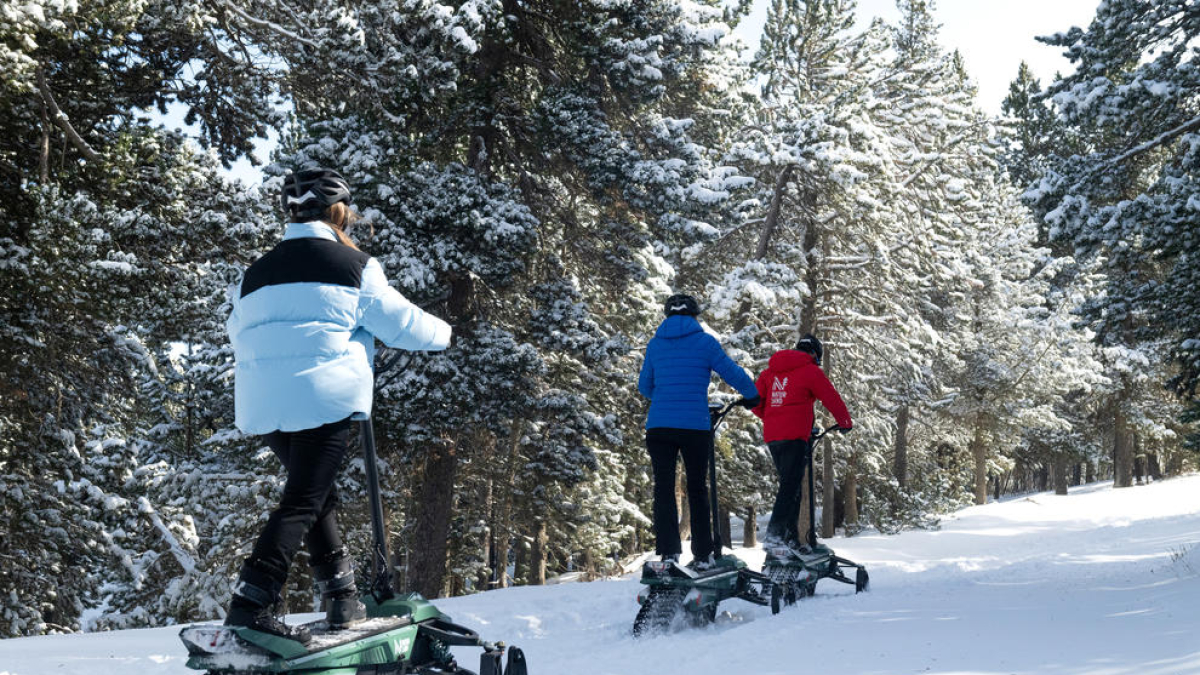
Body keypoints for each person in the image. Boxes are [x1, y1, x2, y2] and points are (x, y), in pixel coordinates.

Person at [224, 168, 452, 643]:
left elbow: (238, 330)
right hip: (322, 397)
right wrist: (447, 332)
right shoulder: (353, 266)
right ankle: (251, 604)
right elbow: (403, 324)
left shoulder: (255, 273)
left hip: (265, 405)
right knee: (303, 500)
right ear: (339, 213)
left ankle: (341, 595)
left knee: (316, 493)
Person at [637, 294, 761, 570]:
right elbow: (731, 371)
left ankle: (669, 553)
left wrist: (667, 397)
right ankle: (703, 554)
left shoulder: (655, 344)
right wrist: (753, 395)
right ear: (694, 315)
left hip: (659, 426)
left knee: (663, 488)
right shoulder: (705, 342)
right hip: (694, 426)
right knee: (696, 487)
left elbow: (644, 386)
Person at [751, 334, 852, 559]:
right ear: (815, 354)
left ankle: (791, 539)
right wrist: (845, 422)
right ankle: (775, 535)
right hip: (795, 436)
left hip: (773, 436)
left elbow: (756, 404)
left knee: (791, 486)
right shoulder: (810, 371)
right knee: (790, 486)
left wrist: (773, 417)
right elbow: (830, 397)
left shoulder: (769, 373)